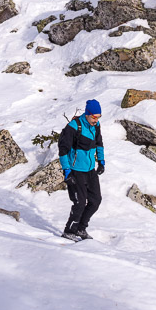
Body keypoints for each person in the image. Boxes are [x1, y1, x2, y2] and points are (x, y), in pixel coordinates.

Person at [58, 99, 105, 240]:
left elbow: (99, 144)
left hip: (90, 170)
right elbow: (63, 150)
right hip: (75, 170)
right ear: (87, 114)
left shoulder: (96, 126)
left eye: (99, 117)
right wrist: (67, 171)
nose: (96, 120)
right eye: (94, 117)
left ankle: (81, 229)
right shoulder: (73, 127)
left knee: (95, 201)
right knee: (80, 202)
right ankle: (69, 231)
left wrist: (101, 161)